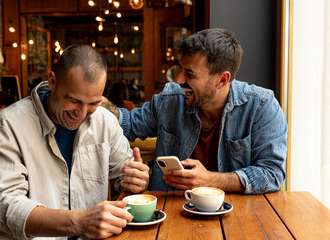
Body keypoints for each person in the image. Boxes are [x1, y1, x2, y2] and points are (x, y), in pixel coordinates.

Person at [0, 44, 150, 240]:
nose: (81, 114)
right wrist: (79, 222)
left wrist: (137, 180)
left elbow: (124, 177)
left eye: (92, 103)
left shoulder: (105, 121)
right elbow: (5, 206)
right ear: (52, 81)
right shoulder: (6, 127)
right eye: (73, 101)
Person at [102, 28, 287, 194]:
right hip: (171, 214)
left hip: (237, 217)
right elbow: (127, 123)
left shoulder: (261, 106)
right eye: (180, 69)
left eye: (189, 74)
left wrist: (210, 180)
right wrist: (94, 99)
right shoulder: (170, 99)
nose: (178, 80)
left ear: (222, 80)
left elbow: (272, 174)